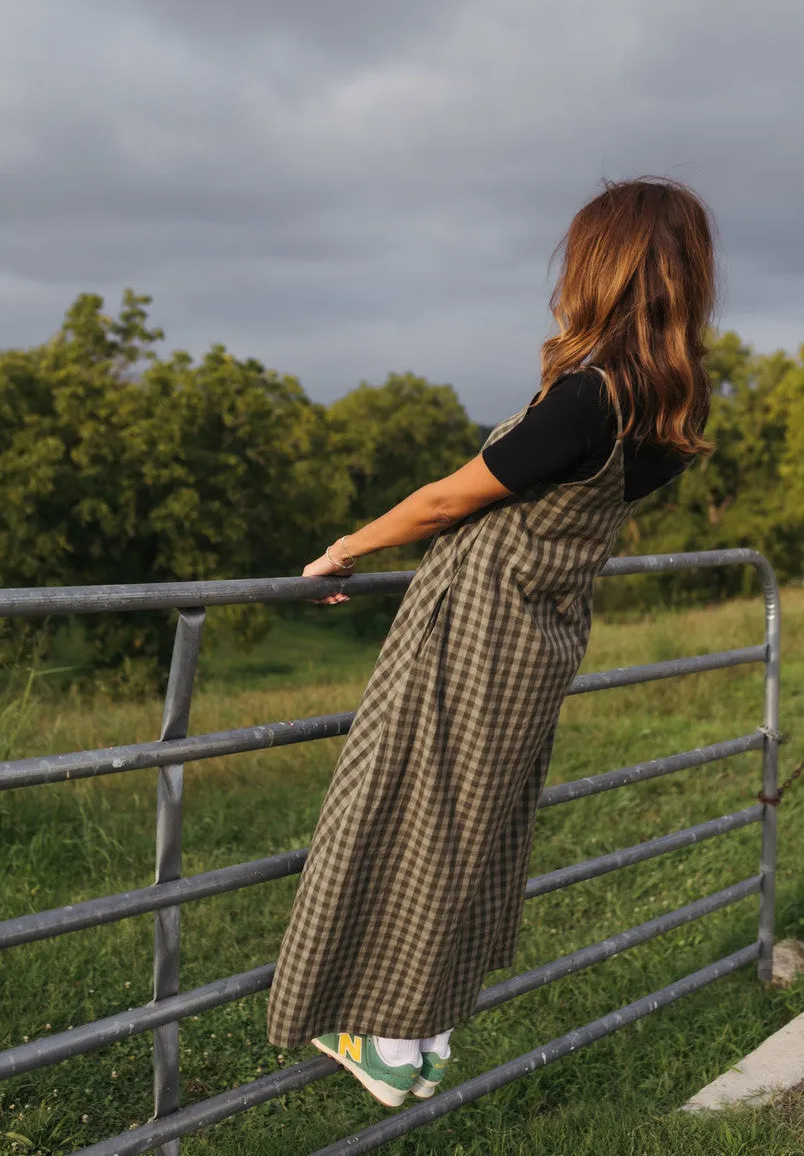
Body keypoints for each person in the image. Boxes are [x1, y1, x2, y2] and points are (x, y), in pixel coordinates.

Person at [265, 175, 718, 1109]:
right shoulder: (672, 412)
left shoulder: (591, 397)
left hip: (472, 629)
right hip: (542, 633)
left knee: (408, 812)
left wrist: (345, 548)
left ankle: (387, 1040)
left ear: (605, 267)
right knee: (472, 828)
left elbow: (450, 498)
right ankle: (421, 1032)